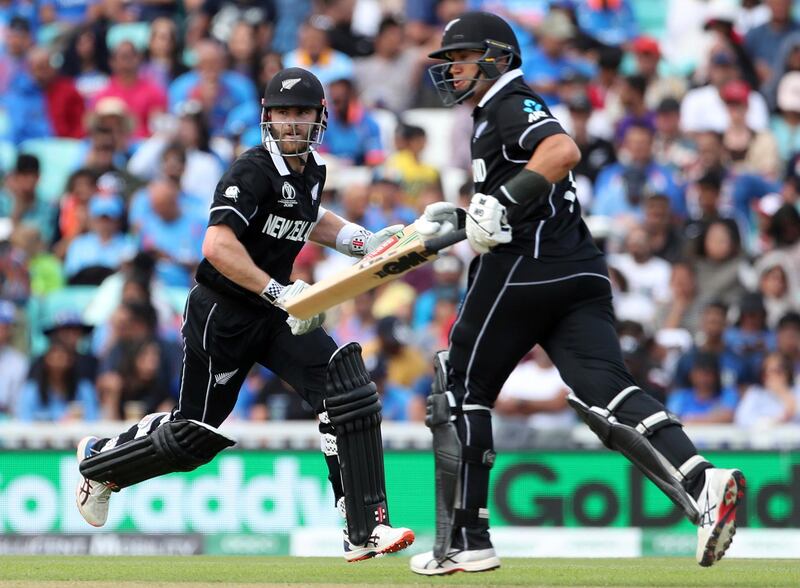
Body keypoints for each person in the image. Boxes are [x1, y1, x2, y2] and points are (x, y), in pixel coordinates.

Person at [410, 12, 744, 575]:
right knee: (605, 390)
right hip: (579, 270)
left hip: (525, 267)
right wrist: (470, 212)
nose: (451, 71)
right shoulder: (500, 109)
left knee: (460, 387)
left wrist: (505, 199)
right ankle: (702, 479)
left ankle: (466, 539)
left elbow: (561, 151)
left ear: (495, 57)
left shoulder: (509, 103)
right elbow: (522, 187)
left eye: (460, 58)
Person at [74, 67, 414, 562]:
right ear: (267, 117)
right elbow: (216, 244)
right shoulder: (251, 170)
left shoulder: (313, 170)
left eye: (302, 113)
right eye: (283, 113)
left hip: (275, 311)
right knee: (194, 435)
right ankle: (100, 461)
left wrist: (364, 241)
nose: (293, 123)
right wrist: (278, 291)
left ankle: (363, 529)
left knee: (348, 390)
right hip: (225, 313)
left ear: (319, 118)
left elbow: (310, 217)